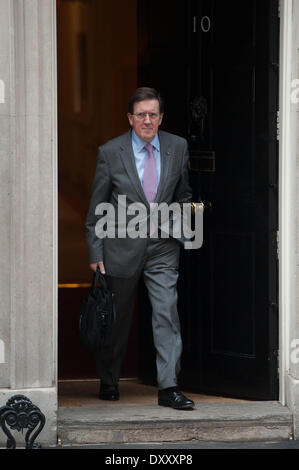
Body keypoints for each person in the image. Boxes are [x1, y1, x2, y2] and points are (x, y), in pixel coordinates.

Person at [85, 87, 195, 410]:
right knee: (117, 320)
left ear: (161, 118)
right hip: (120, 247)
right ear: (130, 118)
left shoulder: (178, 147)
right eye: (141, 115)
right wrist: (95, 254)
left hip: (163, 247)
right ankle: (109, 379)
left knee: (166, 314)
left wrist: (180, 228)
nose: (147, 120)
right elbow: (96, 209)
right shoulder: (110, 152)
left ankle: (169, 387)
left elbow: (184, 195)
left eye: (153, 114)